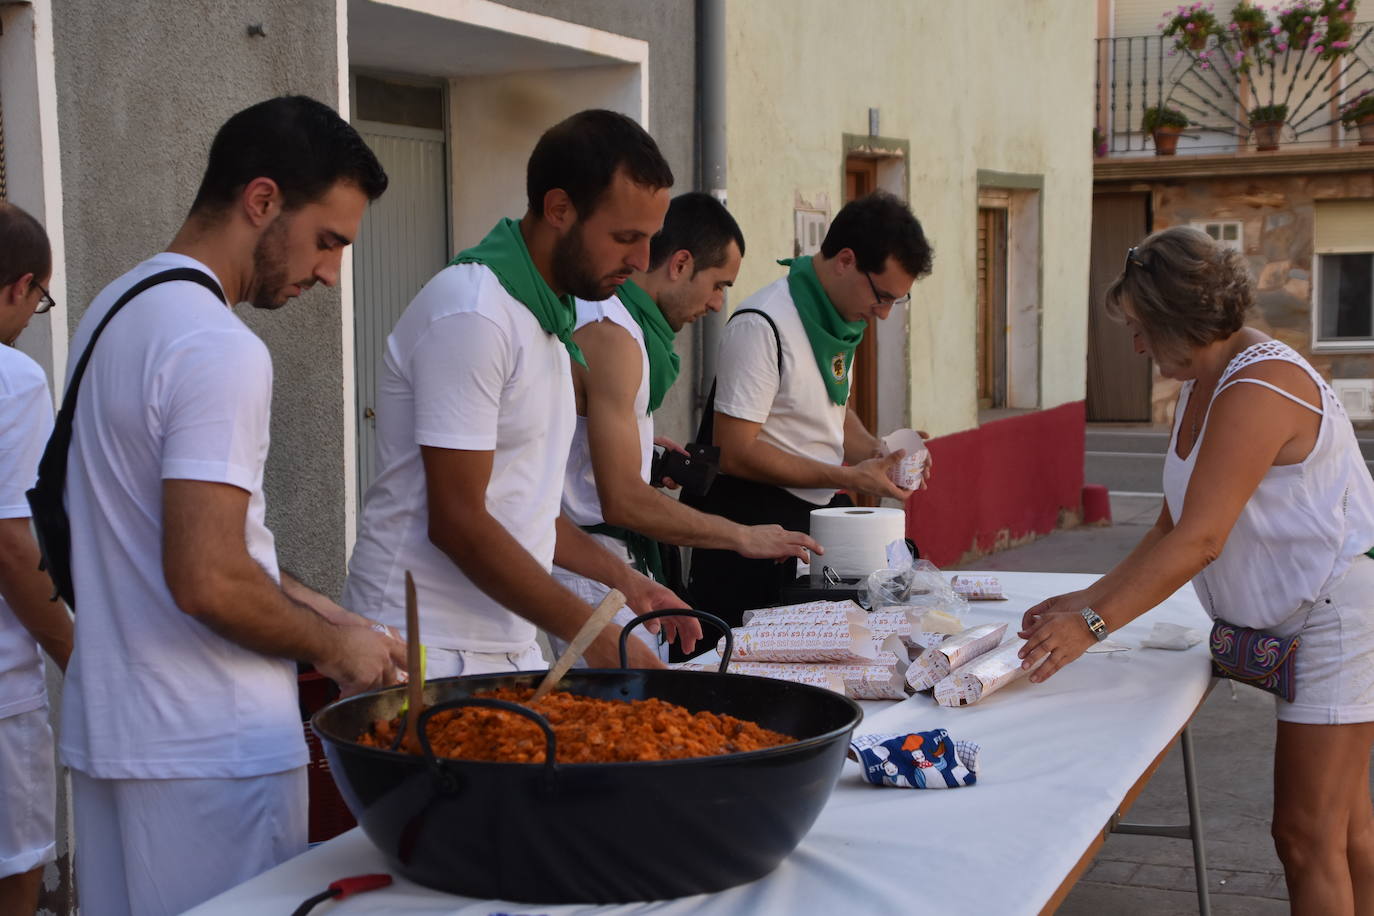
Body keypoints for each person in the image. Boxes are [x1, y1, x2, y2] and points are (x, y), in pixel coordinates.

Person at [59, 96, 405, 916]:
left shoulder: (113, 311)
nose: (330, 273)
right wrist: (336, 649)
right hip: (212, 756)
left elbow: (180, 539)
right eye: (329, 241)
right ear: (262, 201)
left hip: (120, 737)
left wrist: (320, 605)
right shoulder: (220, 348)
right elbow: (208, 577)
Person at [1019, 226, 1374, 915]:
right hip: (1308, 612)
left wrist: (1093, 624)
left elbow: (1202, 540)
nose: (1137, 346)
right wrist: (1087, 597)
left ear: (1181, 322)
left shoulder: (1260, 385)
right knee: (1347, 829)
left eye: (1143, 329)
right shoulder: (1203, 378)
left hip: (1337, 614)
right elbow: (1171, 523)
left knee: (1305, 837)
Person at [344, 109, 693, 677]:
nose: (641, 262)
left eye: (650, 240)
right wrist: (590, 632)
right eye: (625, 237)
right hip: (416, 649)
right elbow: (458, 520)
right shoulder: (474, 312)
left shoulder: (548, 321)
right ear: (559, 210)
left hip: (502, 646)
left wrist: (626, 582)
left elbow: (520, 511)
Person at [554, 192, 819, 658]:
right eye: (718, 284)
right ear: (679, 264)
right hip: (589, 560)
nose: (718, 304)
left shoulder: (623, 327)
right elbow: (620, 501)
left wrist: (642, 456)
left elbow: (571, 439)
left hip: (609, 557)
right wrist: (742, 535)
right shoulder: (612, 334)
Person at [688, 191, 934, 621]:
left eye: (898, 300)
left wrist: (882, 455)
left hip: (809, 525)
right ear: (845, 260)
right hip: (750, 530)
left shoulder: (837, 322)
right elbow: (735, 450)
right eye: (882, 296)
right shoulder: (762, 322)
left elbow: (831, 418)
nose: (885, 314)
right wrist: (846, 476)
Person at [0, 203, 69, 916]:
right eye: (39, 300)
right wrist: (80, 656)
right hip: (1, 694)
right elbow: (12, 546)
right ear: (20, 286)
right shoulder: (12, 381)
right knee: (15, 873)